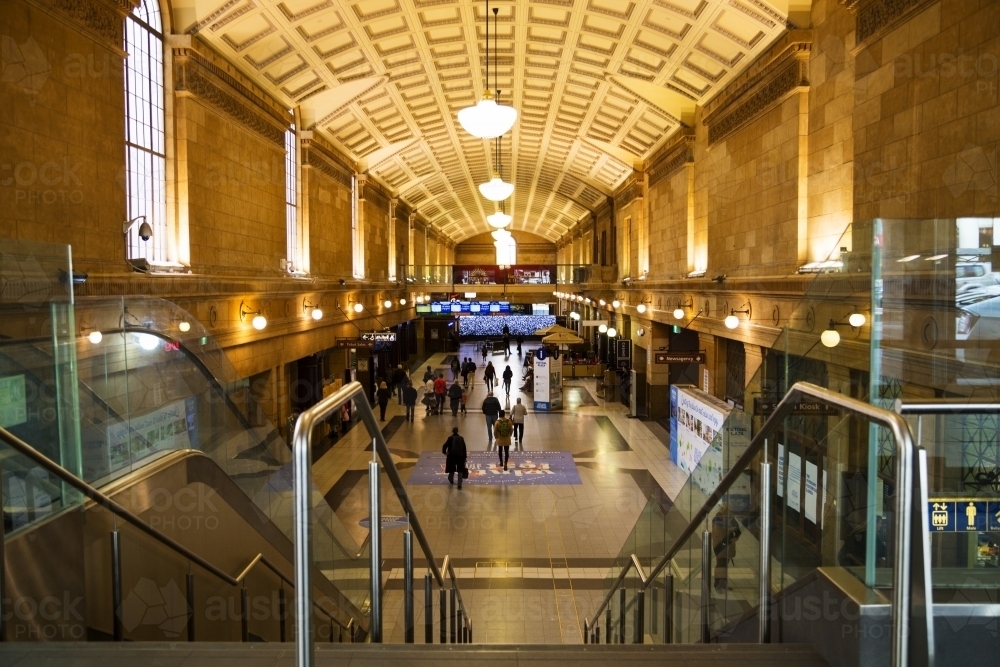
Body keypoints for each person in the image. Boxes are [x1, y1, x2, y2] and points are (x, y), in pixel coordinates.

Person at [711, 504, 742, 593]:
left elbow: (737, 531)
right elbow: (719, 533)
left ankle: (723, 583)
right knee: (721, 565)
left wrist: (734, 536)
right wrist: (730, 530)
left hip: (727, 546)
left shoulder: (731, 519)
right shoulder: (717, 519)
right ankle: (717, 584)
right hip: (721, 546)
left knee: (724, 565)